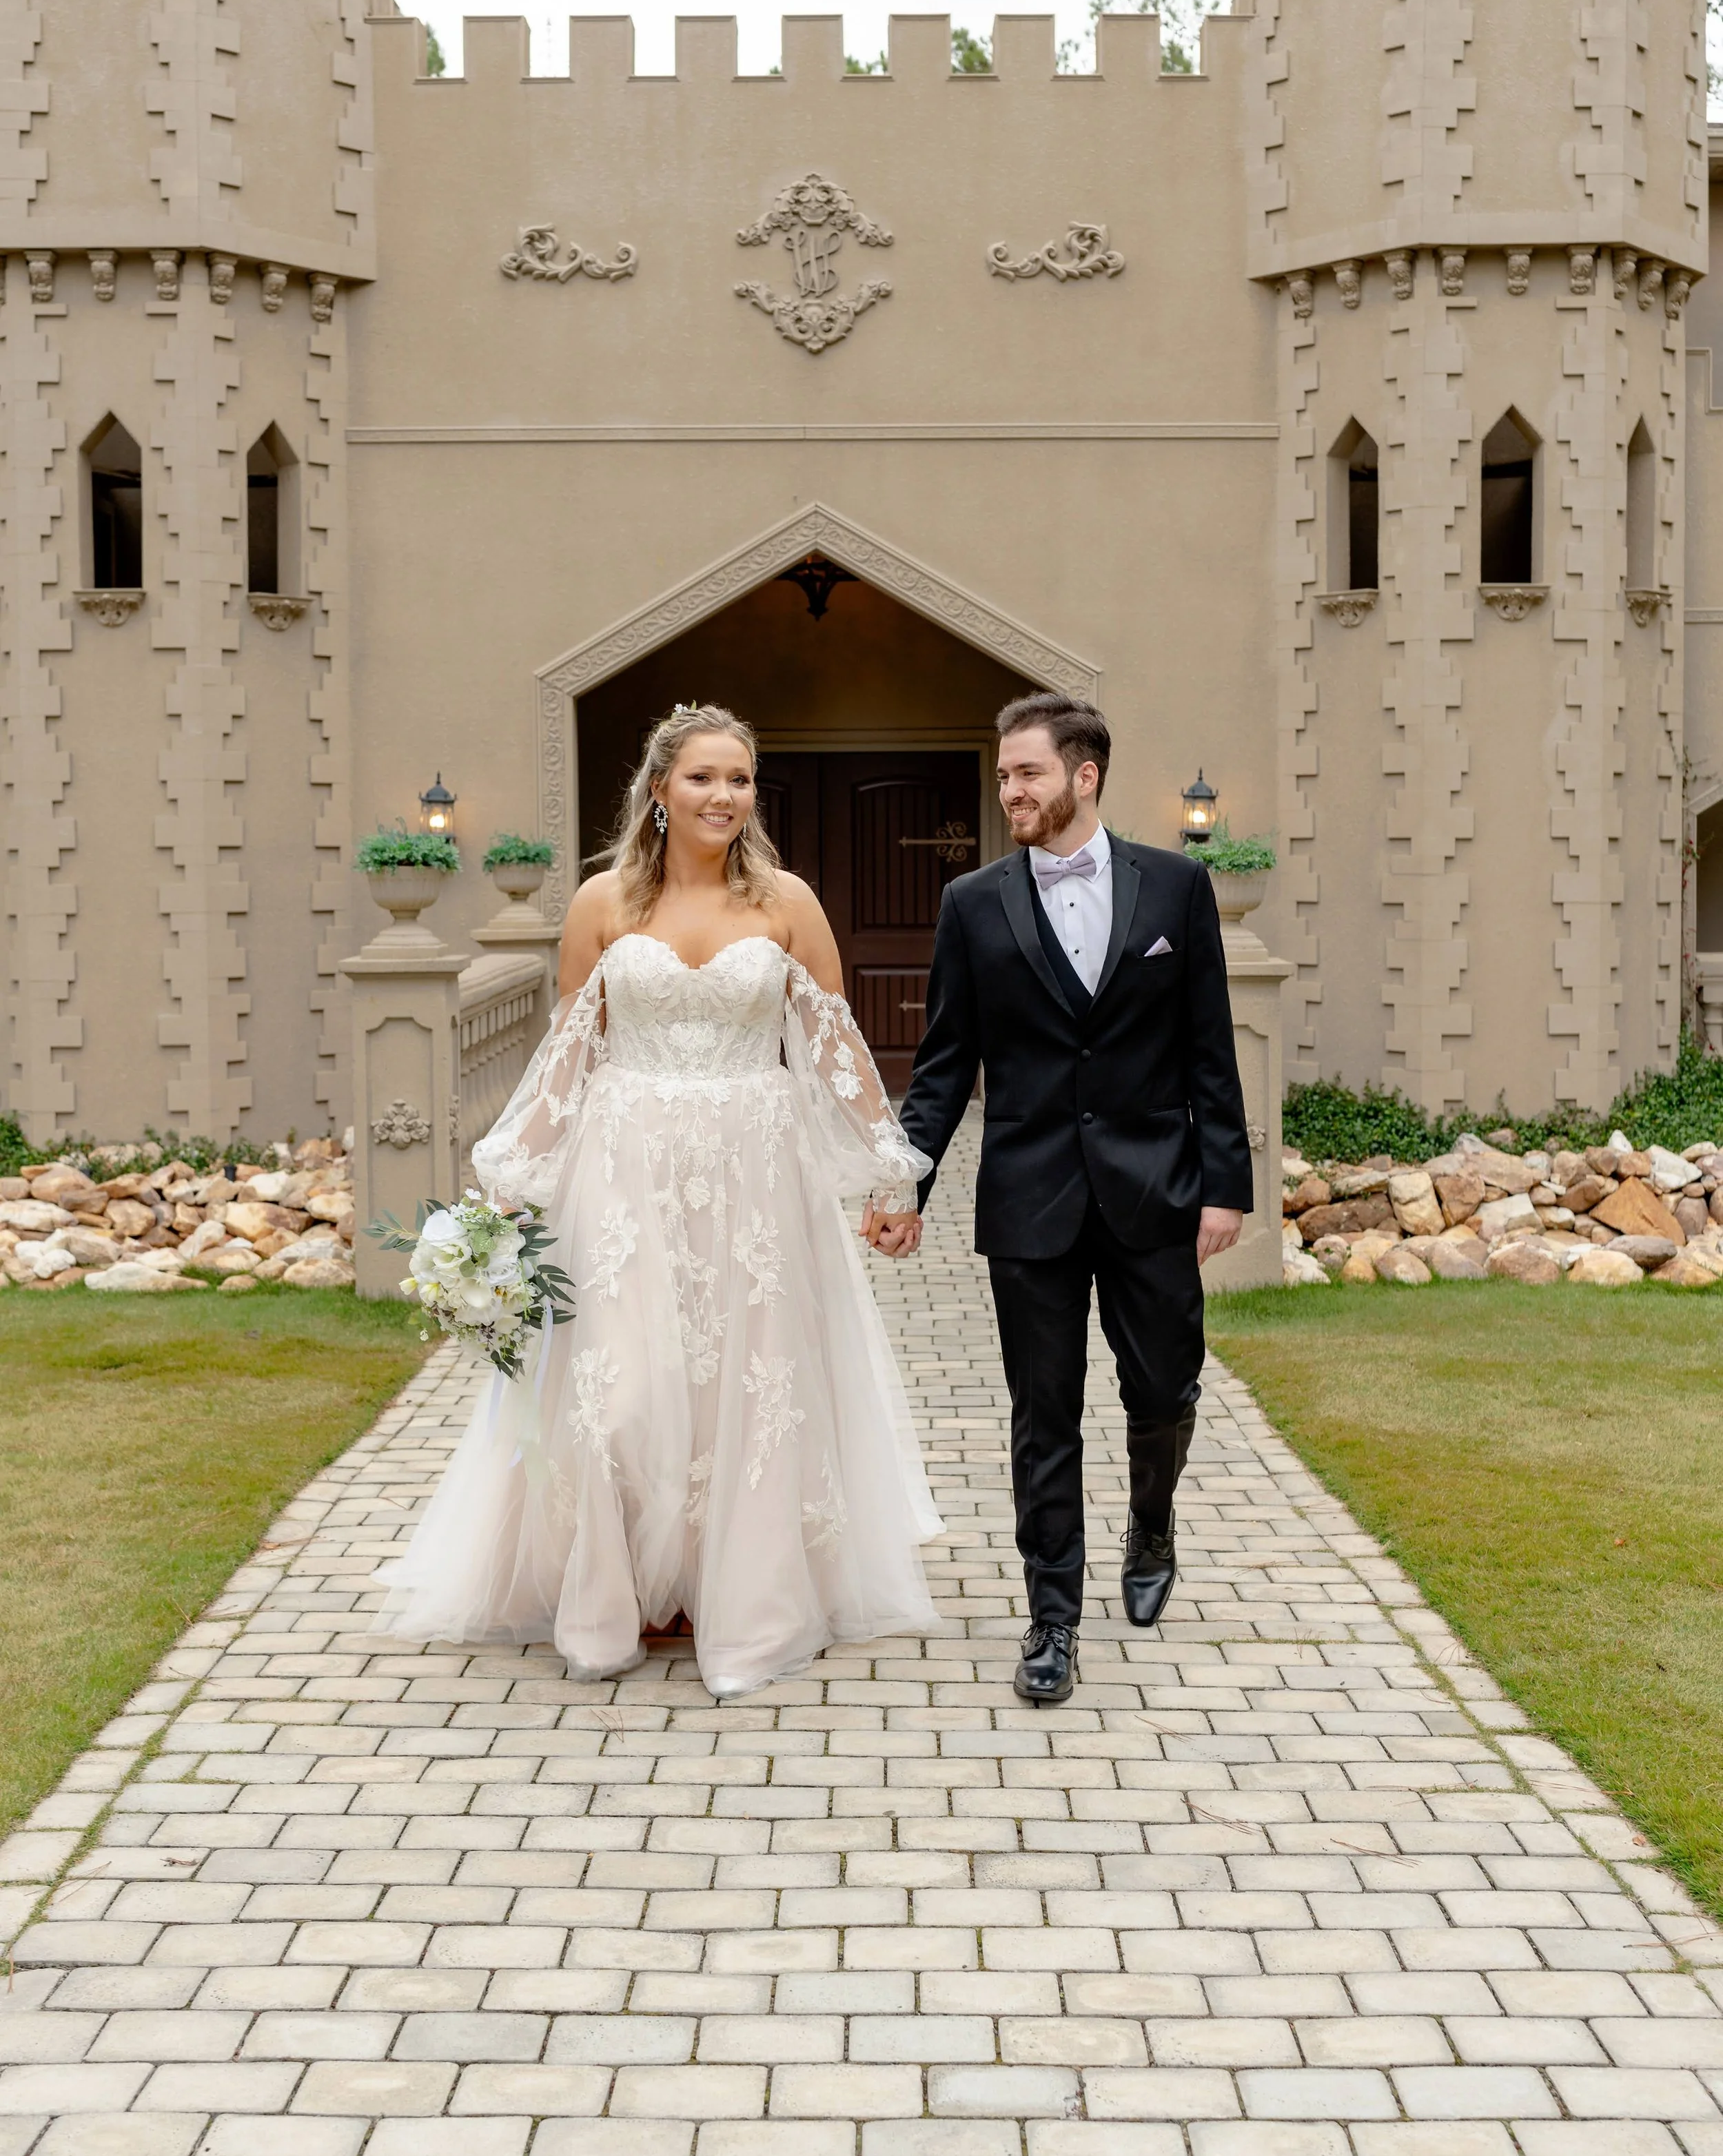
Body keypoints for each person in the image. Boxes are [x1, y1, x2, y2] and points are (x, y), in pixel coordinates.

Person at [378, 704, 941, 1698]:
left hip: (757, 1179)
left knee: (747, 1392)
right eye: (703, 779)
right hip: (624, 1172)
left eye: (740, 779)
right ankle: (615, 1599)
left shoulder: (787, 903)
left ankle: (743, 1608)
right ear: (658, 790)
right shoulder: (602, 904)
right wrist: (509, 1188)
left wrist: (892, 1171)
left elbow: (836, 1051)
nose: (724, 796)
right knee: (621, 1392)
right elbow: (566, 1060)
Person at [866, 691, 1251, 1706]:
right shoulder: (973, 904)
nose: (1011, 791)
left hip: (1156, 1190)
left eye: (1026, 773)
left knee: (1163, 1388)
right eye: (1003, 775)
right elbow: (943, 1064)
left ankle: (1154, 1522)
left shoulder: (1175, 890)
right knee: (1045, 1414)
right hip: (1029, 1194)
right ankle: (1052, 1619)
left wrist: (1225, 1188)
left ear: (1084, 776)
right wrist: (905, 1184)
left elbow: (1209, 1049)